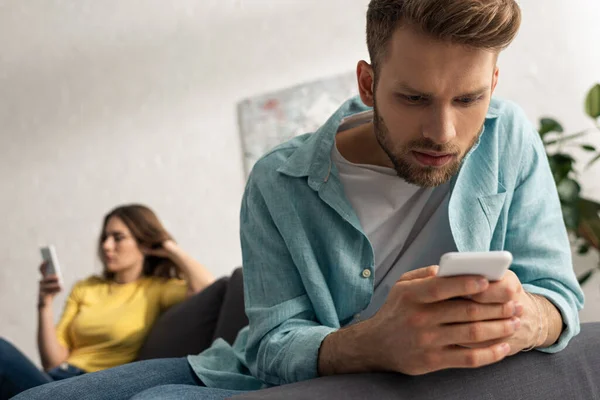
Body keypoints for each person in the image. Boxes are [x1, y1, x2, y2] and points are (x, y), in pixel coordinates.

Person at [16, 0, 585, 399]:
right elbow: (270, 347)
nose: (444, 132)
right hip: (237, 369)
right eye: (413, 98)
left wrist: (520, 319)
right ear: (367, 84)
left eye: (469, 98)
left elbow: (558, 295)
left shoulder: (509, 137)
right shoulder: (277, 181)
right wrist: (372, 343)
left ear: (494, 83)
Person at [0, 204, 214, 399]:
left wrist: (168, 247)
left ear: (144, 243)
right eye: (104, 237)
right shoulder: (86, 287)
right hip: (55, 379)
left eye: (118, 237)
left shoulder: (155, 289)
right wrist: (44, 303)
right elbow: (53, 362)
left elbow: (208, 288)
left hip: (95, 387)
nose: (107, 246)